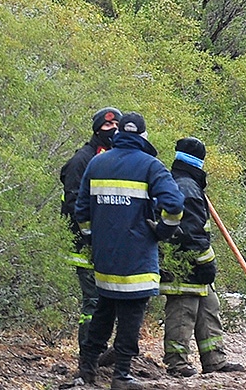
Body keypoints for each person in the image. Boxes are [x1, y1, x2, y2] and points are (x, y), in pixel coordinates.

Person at [74, 112, 185, 390]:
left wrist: (92, 238)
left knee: (103, 310)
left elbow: (81, 210)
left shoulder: (97, 163)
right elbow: (174, 206)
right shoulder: (151, 166)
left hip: (105, 257)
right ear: (143, 136)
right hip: (137, 259)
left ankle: (86, 370)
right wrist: (162, 231)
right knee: (131, 318)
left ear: (119, 133)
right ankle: (121, 374)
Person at [160, 137, 245, 377]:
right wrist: (206, 262)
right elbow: (193, 233)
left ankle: (215, 360)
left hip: (194, 262)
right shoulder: (186, 188)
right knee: (182, 310)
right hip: (183, 263)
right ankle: (177, 363)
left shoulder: (187, 184)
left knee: (209, 308)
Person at [60, 107, 121, 352]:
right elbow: (74, 204)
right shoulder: (82, 160)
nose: (113, 129)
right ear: (97, 129)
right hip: (84, 246)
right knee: (93, 300)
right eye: (107, 126)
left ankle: (100, 348)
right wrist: (90, 234)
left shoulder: (114, 156)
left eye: (116, 124)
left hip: (107, 244)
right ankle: (88, 350)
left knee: (109, 300)